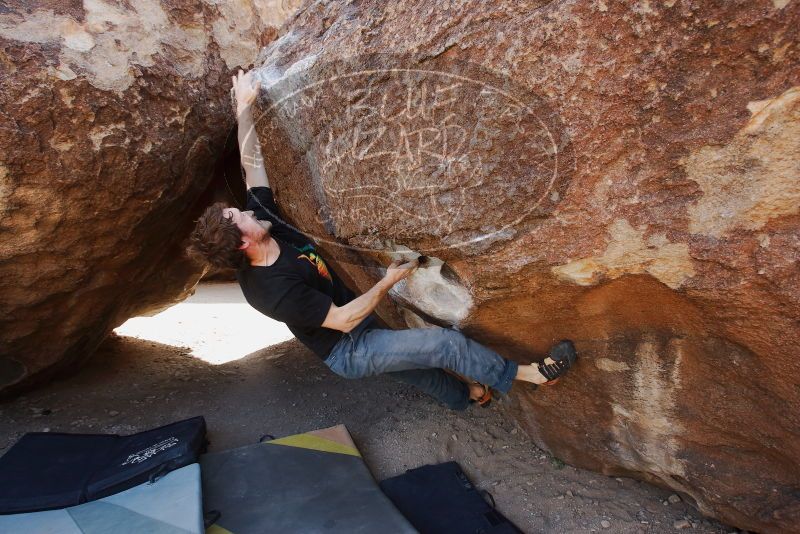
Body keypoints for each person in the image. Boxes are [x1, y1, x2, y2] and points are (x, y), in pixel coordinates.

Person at [187, 70, 577, 410]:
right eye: (243, 217)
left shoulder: (265, 226)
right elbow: (341, 320)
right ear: (243, 243)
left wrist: (244, 109)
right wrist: (388, 281)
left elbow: (251, 166)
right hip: (347, 349)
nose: (250, 211)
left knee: (414, 371)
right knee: (442, 346)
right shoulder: (269, 291)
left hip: (355, 323)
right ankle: (533, 375)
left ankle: (473, 395)